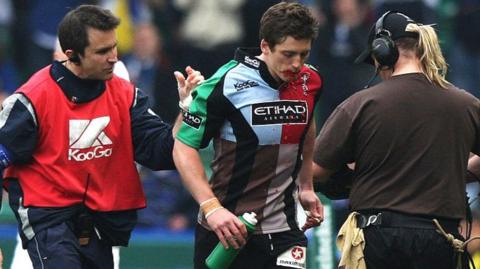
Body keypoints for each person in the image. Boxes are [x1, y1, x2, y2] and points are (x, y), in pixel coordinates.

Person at [0, 4, 203, 269]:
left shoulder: (125, 95)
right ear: (72, 56)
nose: (114, 57)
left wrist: (186, 110)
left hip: (101, 223)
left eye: (114, 47)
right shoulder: (32, 100)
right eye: (102, 51)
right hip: (49, 220)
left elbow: (164, 152)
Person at [312, 11, 480, 269]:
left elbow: (316, 171)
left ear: (383, 52)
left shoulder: (360, 105)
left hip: (378, 240)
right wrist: (456, 172)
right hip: (441, 239)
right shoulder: (466, 104)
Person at [173, 2, 324, 269]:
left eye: (304, 54)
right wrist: (212, 208)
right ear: (265, 46)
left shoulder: (310, 81)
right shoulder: (224, 84)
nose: (297, 64)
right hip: (227, 230)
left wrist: (307, 185)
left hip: (285, 228)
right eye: (288, 54)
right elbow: (183, 147)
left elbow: (307, 123)